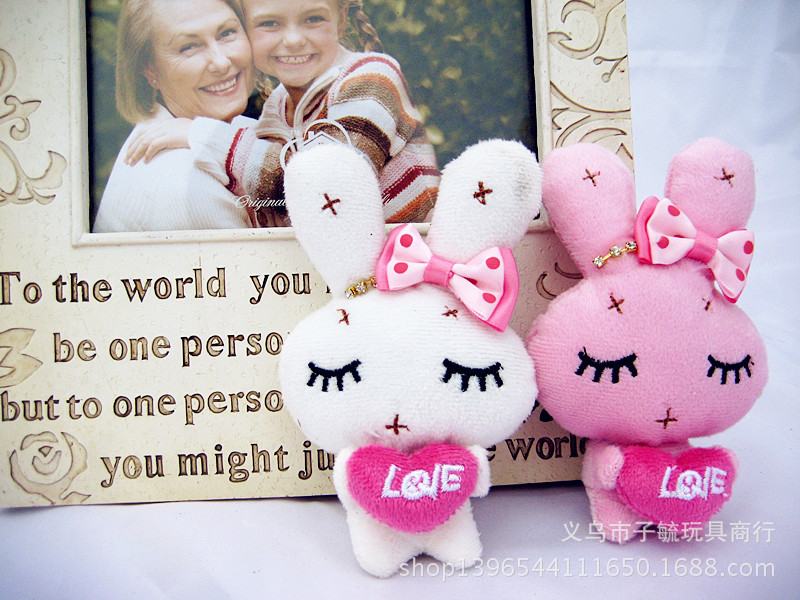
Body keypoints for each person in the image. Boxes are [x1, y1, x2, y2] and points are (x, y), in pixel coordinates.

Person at [126, 0, 440, 227]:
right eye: (270, 23)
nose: (293, 40)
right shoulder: (277, 107)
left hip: (409, 266)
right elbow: (273, 197)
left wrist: (202, 135)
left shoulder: (371, 79)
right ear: (247, 30)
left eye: (313, 18)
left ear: (341, 20)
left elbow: (326, 186)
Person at [93, 0, 255, 233]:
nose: (221, 62)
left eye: (227, 33)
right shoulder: (184, 183)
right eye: (189, 47)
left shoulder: (230, 128)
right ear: (149, 69)